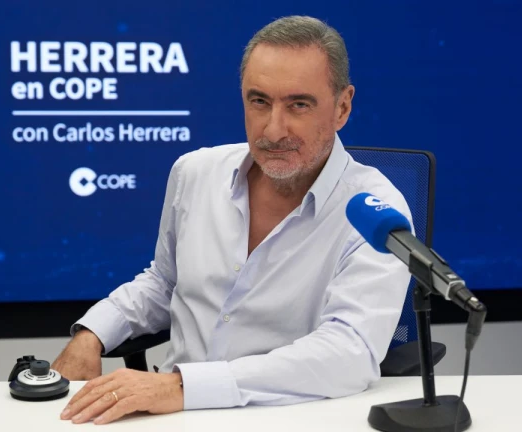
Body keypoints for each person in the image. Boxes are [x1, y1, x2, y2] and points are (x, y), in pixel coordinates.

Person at [55, 15, 413, 425]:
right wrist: (93, 333)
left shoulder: (375, 209)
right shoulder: (195, 172)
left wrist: (184, 387)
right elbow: (165, 283)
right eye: (259, 102)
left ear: (342, 107)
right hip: (170, 415)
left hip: (288, 418)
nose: (273, 130)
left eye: (298, 105)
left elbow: (349, 352)